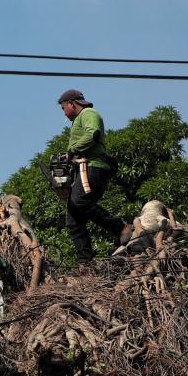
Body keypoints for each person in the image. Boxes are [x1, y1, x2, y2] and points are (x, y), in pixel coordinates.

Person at [57, 89, 130, 264]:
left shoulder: (89, 113)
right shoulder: (78, 119)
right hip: (82, 169)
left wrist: (71, 151)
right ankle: (86, 264)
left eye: (63, 108)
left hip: (93, 167)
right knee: (73, 220)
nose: (64, 113)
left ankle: (121, 228)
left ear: (72, 103)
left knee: (79, 201)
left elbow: (93, 134)